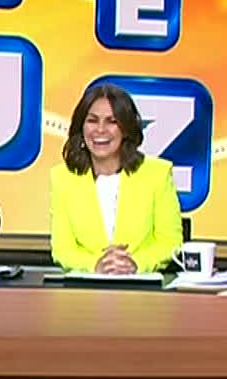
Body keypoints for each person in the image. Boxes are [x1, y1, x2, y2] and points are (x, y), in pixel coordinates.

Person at [50, 83, 182, 274]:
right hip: (86, 286)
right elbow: (63, 250)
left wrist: (135, 264)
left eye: (112, 121)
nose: (100, 130)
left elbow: (169, 242)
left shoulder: (157, 174)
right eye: (92, 120)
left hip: (141, 286)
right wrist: (96, 265)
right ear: (81, 127)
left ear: (126, 129)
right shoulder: (62, 178)